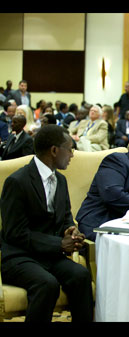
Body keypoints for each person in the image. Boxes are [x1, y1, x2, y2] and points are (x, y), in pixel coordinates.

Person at [0, 125, 94, 322]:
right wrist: (58, 244)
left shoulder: (60, 180)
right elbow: (14, 233)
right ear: (54, 150)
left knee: (81, 275)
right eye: (70, 149)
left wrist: (70, 230)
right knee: (47, 284)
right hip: (19, 257)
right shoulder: (17, 182)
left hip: (49, 256)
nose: (72, 154)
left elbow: (66, 216)